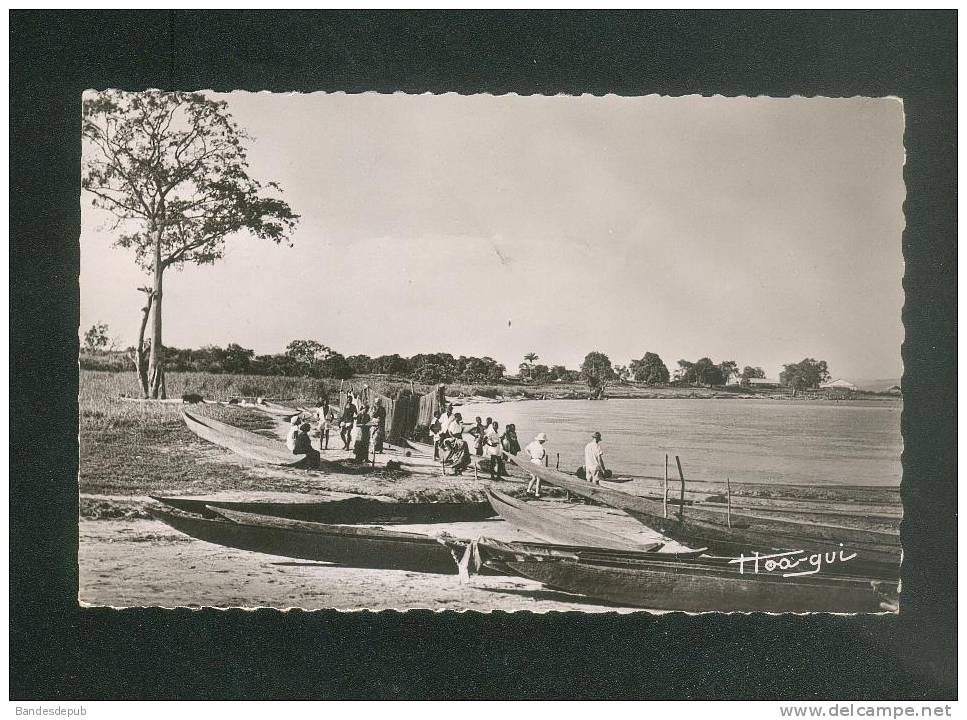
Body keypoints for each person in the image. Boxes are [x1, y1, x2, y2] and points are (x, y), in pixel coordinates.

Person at [524, 432, 548, 497]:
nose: (544, 442)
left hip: (532, 460)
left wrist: (530, 455)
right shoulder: (541, 447)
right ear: (541, 440)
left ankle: (528, 490)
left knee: (534, 477)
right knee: (539, 478)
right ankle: (537, 493)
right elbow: (542, 456)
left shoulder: (532, 444)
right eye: (543, 441)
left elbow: (526, 449)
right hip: (538, 461)